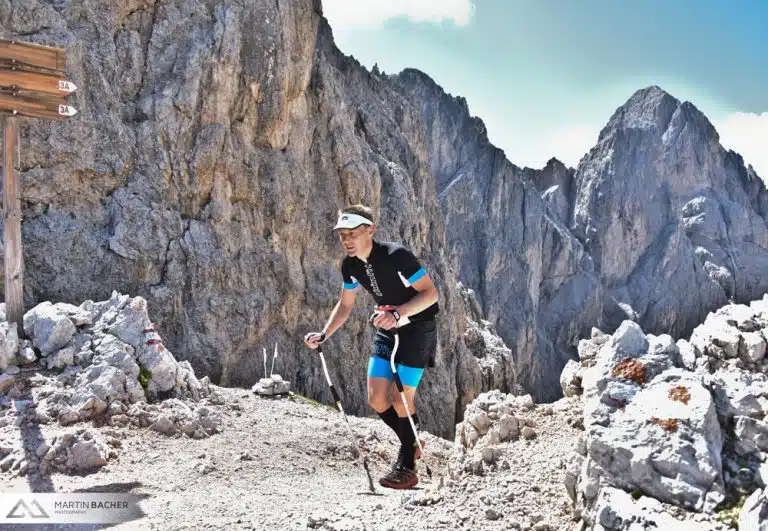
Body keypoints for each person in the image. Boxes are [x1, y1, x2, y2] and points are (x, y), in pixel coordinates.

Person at [304, 204, 440, 490]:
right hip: (387, 329)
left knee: (401, 399)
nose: (346, 240)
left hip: (417, 329)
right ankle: (412, 441)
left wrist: (398, 314)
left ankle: (407, 465)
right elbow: (345, 305)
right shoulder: (350, 266)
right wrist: (324, 334)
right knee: (377, 399)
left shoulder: (396, 256)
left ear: (370, 230)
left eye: (352, 233)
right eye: (342, 235)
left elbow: (431, 294)